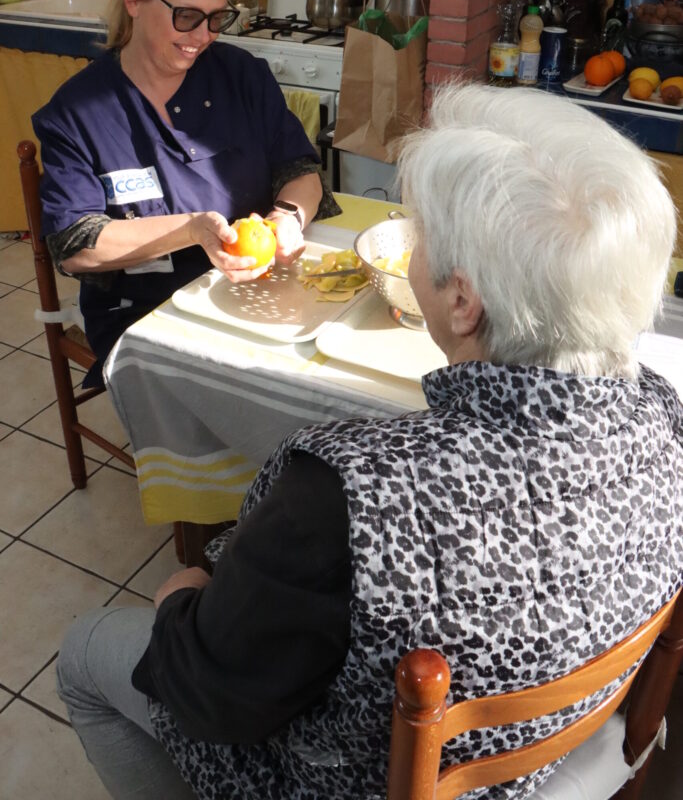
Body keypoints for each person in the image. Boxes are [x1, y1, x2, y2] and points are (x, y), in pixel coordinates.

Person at [56, 82, 682, 800]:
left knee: (85, 654)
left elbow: (212, 697)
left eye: (418, 236)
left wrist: (179, 602)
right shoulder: (662, 413)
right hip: (544, 753)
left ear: (459, 300)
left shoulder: (346, 491)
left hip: (351, 783)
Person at [32, 0, 337, 385]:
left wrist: (288, 219)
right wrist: (193, 230)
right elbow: (76, 245)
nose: (204, 35)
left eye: (217, 18)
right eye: (188, 15)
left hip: (257, 290)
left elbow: (300, 171)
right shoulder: (78, 113)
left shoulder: (242, 77)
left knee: (328, 375)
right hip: (145, 315)